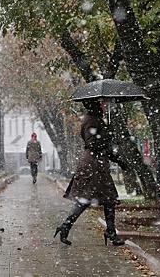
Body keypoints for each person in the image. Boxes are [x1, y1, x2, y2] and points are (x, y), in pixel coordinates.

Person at [54, 98, 127, 246]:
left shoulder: (95, 119)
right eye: (101, 103)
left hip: (97, 165)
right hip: (93, 167)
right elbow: (92, 143)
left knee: (107, 199)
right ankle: (66, 226)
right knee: (89, 199)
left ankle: (109, 231)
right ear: (95, 104)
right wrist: (107, 132)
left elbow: (102, 147)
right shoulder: (91, 120)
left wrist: (119, 160)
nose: (104, 105)